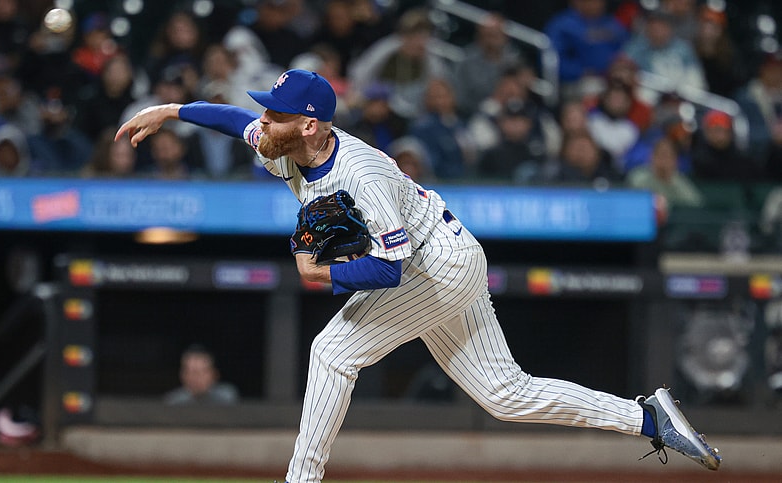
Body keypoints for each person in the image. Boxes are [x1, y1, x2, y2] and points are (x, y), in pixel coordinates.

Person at [116, 68, 722, 482]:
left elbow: (387, 267)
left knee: (332, 352)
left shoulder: (362, 174)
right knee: (505, 395)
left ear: (308, 124)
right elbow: (229, 119)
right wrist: (171, 110)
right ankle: (648, 418)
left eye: (272, 114)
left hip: (438, 265)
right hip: (446, 254)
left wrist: (322, 275)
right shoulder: (289, 144)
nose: (261, 122)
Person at [163, 344, 239, 406]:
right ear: (182, 375)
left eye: (200, 372)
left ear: (214, 374)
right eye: (190, 372)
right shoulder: (173, 402)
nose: (195, 378)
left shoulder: (227, 398)